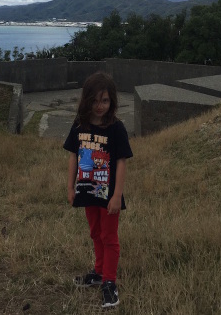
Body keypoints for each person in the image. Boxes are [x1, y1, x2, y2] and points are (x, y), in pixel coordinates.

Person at [63, 71, 133, 309]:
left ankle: (110, 283)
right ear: (86, 100)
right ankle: (100, 271)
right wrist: (70, 186)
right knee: (95, 233)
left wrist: (116, 195)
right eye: (94, 100)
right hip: (86, 190)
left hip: (108, 194)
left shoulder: (116, 128)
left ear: (111, 101)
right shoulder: (79, 125)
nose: (100, 106)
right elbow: (74, 155)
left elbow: (122, 162)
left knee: (109, 237)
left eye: (105, 100)